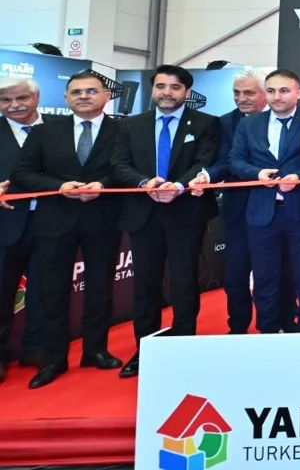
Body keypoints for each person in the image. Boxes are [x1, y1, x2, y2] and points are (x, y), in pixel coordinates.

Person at [13, 72, 122, 389]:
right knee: (52, 291)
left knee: (100, 289)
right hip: (55, 220)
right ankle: (53, 359)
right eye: (76, 92)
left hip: (103, 218)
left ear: (106, 96)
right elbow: (22, 173)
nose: (83, 96)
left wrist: (103, 185)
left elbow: (127, 169)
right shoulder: (45, 131)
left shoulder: (123, 131)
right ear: (65, 98)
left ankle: (96, 350)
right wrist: (60, 186)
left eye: (91, 91)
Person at [110, 65, 219, 379]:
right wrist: (146, 183)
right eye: (160, 86)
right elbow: (118, 164)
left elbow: (205, 161)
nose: (166, 93)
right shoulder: (132, 125)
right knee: (145, 285)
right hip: (143, 213)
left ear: (187, 92)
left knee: (185, 282)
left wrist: (178, 186)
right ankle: (145, 350)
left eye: (174, 87)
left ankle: (183, 348)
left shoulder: (206, 123)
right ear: (153, 90)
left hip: (185, 212)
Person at [191, 68, 294, 333]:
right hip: (238, 210)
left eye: (249, 92)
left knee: (279, 272)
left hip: (279, 208)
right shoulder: (224, 123)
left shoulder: (289, 119)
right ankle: (237, 328)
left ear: (265, 93)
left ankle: (282, 324)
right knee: (236, 273)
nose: (241, 98)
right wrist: (206, 176)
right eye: (236, 93)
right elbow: (223, 161)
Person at [228, 69, 300, 334]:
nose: (277, 96)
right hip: (261, 213)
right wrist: (256, 174)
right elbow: (235, 160)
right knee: (265, 279)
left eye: (284, 90)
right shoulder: (249, 124)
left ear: (298, 93)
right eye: (271, 91)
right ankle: (267, 333)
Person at [0, 77, 44, 382]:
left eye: (21, 98)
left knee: (45, 292)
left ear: (36, 98)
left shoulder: (59, 128)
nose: (14, 105)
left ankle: (36, 349)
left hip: (52, 224)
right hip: (6, 226)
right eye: (6, 100)